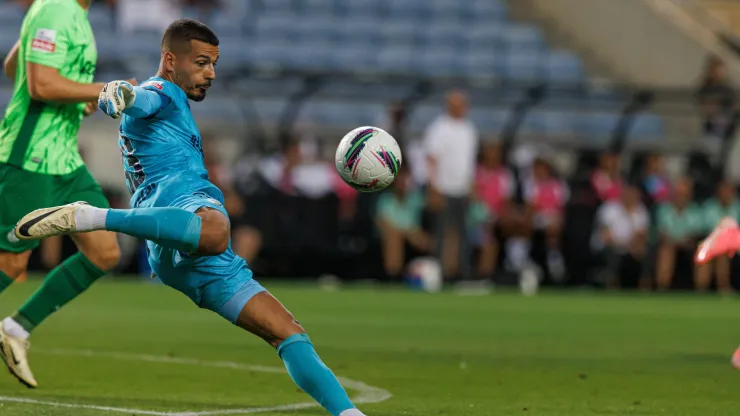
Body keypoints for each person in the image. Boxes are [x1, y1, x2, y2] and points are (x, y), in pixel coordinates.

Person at [12, 19, 367, 416]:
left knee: (287, 333)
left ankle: (349, 414)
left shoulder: (167, 99)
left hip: (175, 244)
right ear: (169, 59)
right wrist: (121, 94)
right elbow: (141, 96)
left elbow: (132, 100)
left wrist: (121, 97)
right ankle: (91, 217)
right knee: (218, 231)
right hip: (188, 213)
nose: (210, 74)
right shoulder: (163, 91)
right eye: (201, 63)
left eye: (214, 64)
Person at [0, 0, 134, 388]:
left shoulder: (70, 11)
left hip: (63, 160)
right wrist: (100, 89)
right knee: (10, 263)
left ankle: (16, 328)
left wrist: (77, 94)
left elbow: (14, 66)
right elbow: (40, 85)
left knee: (104, 251)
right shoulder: (59, 8)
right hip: (29, 158)